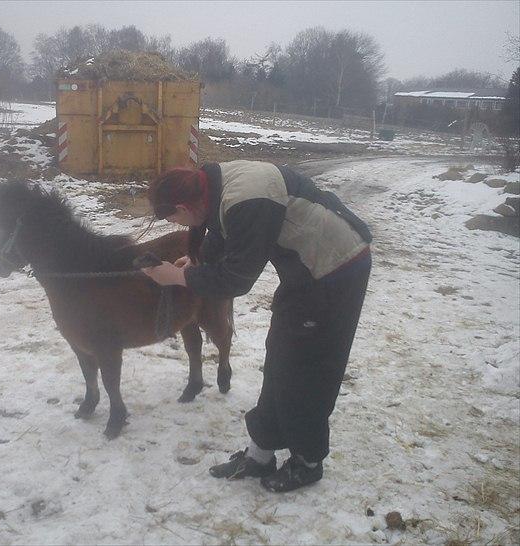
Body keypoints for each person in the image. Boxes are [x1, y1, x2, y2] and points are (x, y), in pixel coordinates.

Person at [141, 160, 372, 493]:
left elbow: (236, 278)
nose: (175, 224)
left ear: (182, 207)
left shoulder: (247, 198)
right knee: (280, 356)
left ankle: (307, 462)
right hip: (305, 269)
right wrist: (197, 260)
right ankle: (260, 454)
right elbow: (225, 230)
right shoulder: (214, 185)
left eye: (172, 218)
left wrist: (179, 277)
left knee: (305, 365)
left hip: (335, 267)